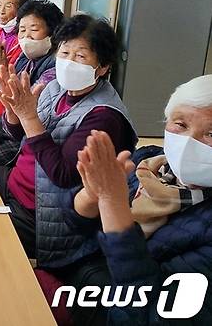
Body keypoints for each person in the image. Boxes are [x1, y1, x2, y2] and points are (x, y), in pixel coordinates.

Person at [46, 75, 212, 325]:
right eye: (180, 124)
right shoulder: (148, 162)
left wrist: (113, 205)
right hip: (79, 276)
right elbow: (77, 221)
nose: (190, 141)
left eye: (211, 133)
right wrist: (92, 194)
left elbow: (154, 313)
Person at [0, 14, 138, 265]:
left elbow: (62, 174)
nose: (69, 62)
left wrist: (28, 116)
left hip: (43, 213)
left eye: (80, 56)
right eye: (64, 53)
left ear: (102, 67)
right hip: (17, 182)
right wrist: (14, 112)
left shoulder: (104, 117)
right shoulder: (56, 87)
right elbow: (18, 136)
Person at [0, 0, 63, 168]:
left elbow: (25, 109)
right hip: (7, 121)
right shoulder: (25, 56)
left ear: (53, 33)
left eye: (34, 30)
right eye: (22, 30)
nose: (26, 37)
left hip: (25, 135)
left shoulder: (55, 67)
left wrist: (3, 76)